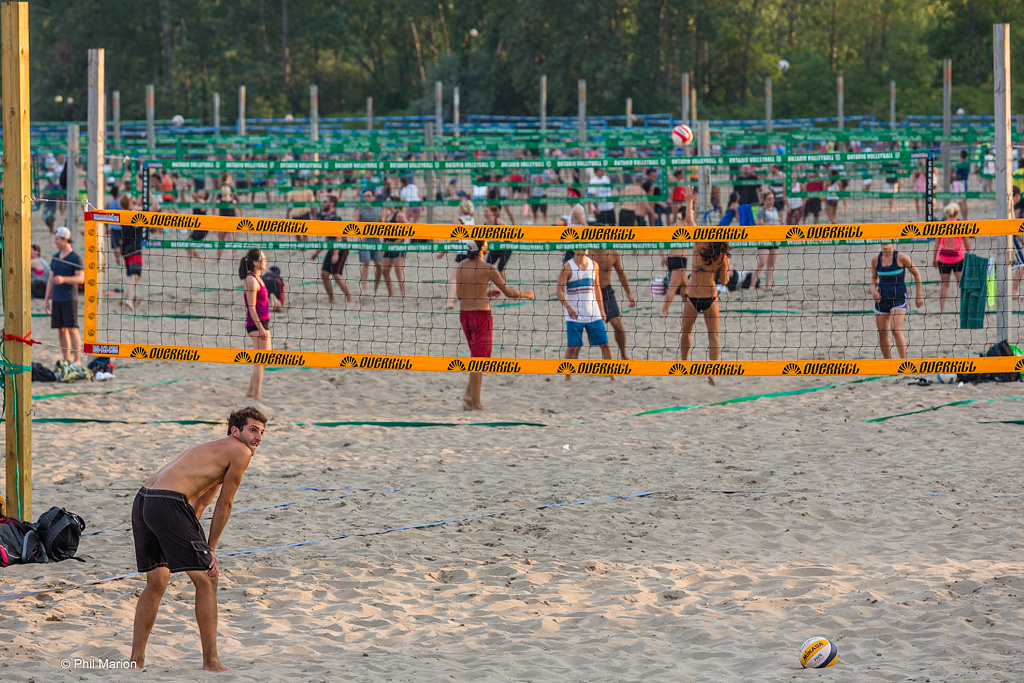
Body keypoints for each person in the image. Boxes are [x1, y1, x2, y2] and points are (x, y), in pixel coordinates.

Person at [130, 406, 267, 672]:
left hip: (143, 499)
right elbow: (225, 504)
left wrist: (196, 542)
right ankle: (211, 662)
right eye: (253, 430)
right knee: (208, 579)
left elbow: (202, 501)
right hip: (167, 503)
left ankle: (136, 661)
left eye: (262, 433)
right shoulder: (240, 451)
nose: (258, 438)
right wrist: (210, 549)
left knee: (157, 581)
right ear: (235, 431)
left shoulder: (213, 449)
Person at [454, 240, 534, 410]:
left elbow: (460, 295)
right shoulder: (488, 268)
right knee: (478, 360)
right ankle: (476, 403)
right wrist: (525, 294)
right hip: (481, 316)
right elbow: (509, 293)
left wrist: (484, 292)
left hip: (465, 316)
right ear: (482, 247)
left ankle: (469, 397)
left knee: (477, 358)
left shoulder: (460, 266)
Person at [556, 248, 614, 380]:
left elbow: (597, 288)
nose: (585, 248)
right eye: (581, 246)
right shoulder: (568, 267)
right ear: (575, 251)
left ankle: (612, 375)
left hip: (593, 313)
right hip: (574, 315)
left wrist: (602, 309)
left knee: (605, 345)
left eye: (586, 245)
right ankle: (567, 377)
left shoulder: (594, 265)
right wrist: (568, 307)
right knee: (572, 347)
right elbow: (559, 292)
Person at [680, 239, 730, 386]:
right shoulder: (723, 256)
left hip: (693, 298)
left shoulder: (697, 248)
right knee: (713, 336)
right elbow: (724, 281)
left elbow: (690, 222)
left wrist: (691, 214)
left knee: (686, 332)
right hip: (710, 297)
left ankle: (683, 364)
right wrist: (729, 273)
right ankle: (712, 373)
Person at [871, 242, 924, 360]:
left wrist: (918, 295)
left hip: (898, 297)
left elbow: (917, 274)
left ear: (893, 242)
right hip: (882, 298)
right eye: (883, 240)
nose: (885, 242)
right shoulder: (876, 259)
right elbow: (873, 278)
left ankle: (903, 361)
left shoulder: (901, 258)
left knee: (895, 328)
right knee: (882, 332)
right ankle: (888, 362)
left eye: (887, 239)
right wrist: (874, 290)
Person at [44, 227, 84, 365]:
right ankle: (66, 359)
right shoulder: (55, 257)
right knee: (61, 329)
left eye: (57, 239)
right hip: (57, 298)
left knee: (72, 328)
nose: (55, 242)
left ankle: (77, 361)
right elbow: (51, 279)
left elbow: (80, 279)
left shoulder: (75, 258)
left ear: (65, 240)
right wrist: (46, 299)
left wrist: (64, 279)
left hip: (69, 297)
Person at [591, 248, 637, 359]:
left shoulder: (613, 253)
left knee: (618, 325)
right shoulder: (586, 252)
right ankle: (574, 358)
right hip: (590, 292)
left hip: (607, 292)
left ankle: (623, 354)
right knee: (584, 327)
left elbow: (621, 274)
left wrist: (629, 294)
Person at [309, 196, 353, 304]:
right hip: (332, 247)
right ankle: (331, 298)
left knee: (336, 274)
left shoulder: (335, 217)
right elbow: (327, 238)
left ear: (332, 204)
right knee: (324, 273)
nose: (323, 203)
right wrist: (317, 252)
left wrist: (336, 254)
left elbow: (339, 236)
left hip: (341, 247)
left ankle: (350, 299)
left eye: (325, 201)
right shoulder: (326, 217)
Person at [240, 249, 271, 399]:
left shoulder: (259, 279)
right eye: (263, 259)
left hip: (263, 322)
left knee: (264, 360)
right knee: (260, 360)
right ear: (255, 262)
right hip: (256, 324)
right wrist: (260, 328)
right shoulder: (251, 280)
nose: (265, 261)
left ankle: (250, 392)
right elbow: (251, 307)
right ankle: (256, 396)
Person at [933, 202, 972, 313]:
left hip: (943, 258)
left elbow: (936, 244)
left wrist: (933, 258)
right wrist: (969, 256)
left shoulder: (941, 226)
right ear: (957, 212)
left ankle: (941, 309)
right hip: (958, 258)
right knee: (961, 284)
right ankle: (964, 309)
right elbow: (967, 244)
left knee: (944, 285)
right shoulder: (961, 225)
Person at [661, 191, 695, 316]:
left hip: (671, 259)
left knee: (686, 285)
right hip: (680, 260)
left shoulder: (672, 226)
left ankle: (690, 307)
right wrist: (689, 202)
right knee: (673, 288)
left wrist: (662, 257)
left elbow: (660, 242)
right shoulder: (688, 227)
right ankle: (663, 311)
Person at [442, 199, 477, 309]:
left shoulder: (458, 220)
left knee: (454, 278)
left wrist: (442, 251)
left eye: (459, 207)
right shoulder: (473, 220)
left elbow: (453, 238)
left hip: (462, 252)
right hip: (473, 251)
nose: (458, 208)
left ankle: (450, 302)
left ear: (462, 209)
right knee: (471, 278)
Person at [119, 194, 144, 311]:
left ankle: (128, 297)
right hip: (133, 249)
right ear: (130, 202)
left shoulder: (126, 213)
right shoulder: (133, 214)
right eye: (131, 197)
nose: (134, 198)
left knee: (134, 276)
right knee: (135, 275)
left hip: (127, 249)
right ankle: (128, 299)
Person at [356, 189, 383, 295]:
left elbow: (383, 224)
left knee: (379, 265)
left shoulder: (379, 209)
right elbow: (355, 224)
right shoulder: (360, 209)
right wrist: (360, 236)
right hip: (365, 239)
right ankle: (364, 288)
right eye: (365, 196)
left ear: (373, 197)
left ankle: (376, 288)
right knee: (366, 262)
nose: (366, 198)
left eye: (368, 196)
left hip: (376, 239)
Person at [753, 191, 780, 291]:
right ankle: (752, 285)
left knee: (771, 264)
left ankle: (768, 286)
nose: (771, 201)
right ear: (764, 200)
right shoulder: (761, 210)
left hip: (774, 239)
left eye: (772, 199)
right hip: (764, 239)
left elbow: (779, 223)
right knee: (762, 262)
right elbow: (760, 224)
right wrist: (774, 225)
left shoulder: (775, 210)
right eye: (769, 199)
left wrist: (777, 225)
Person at [380, 202, 408, 296]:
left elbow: (408, 228)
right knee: (385, 270)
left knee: (398, 271)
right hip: (388, 245)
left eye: (388, 200)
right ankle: (391, 294)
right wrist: (383, 245)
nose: (386, 202)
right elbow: (384, 230)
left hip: (397, 246)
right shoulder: (387, 215)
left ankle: (403, 294)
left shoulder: (399, 215)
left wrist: (399, 240)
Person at [482, 204, 513, 274]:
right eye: (484, 212)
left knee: (500, 268)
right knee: (487, 267)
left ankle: (504, 285)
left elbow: (510, 232)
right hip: (495, 247)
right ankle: (486, 284)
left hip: (506, 247)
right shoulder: (485, 224)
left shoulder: (499, 222)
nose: (485, 213)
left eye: (487, 211)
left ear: (492, 213)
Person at [953, 149, 970, 220]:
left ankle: (964, 218)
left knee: (961, 202)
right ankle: (965, 218)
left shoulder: (961, 165)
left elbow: (955, 175)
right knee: (964, 202)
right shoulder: (967, 164)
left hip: (960, 183)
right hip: (964, 182)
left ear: (960, 156)